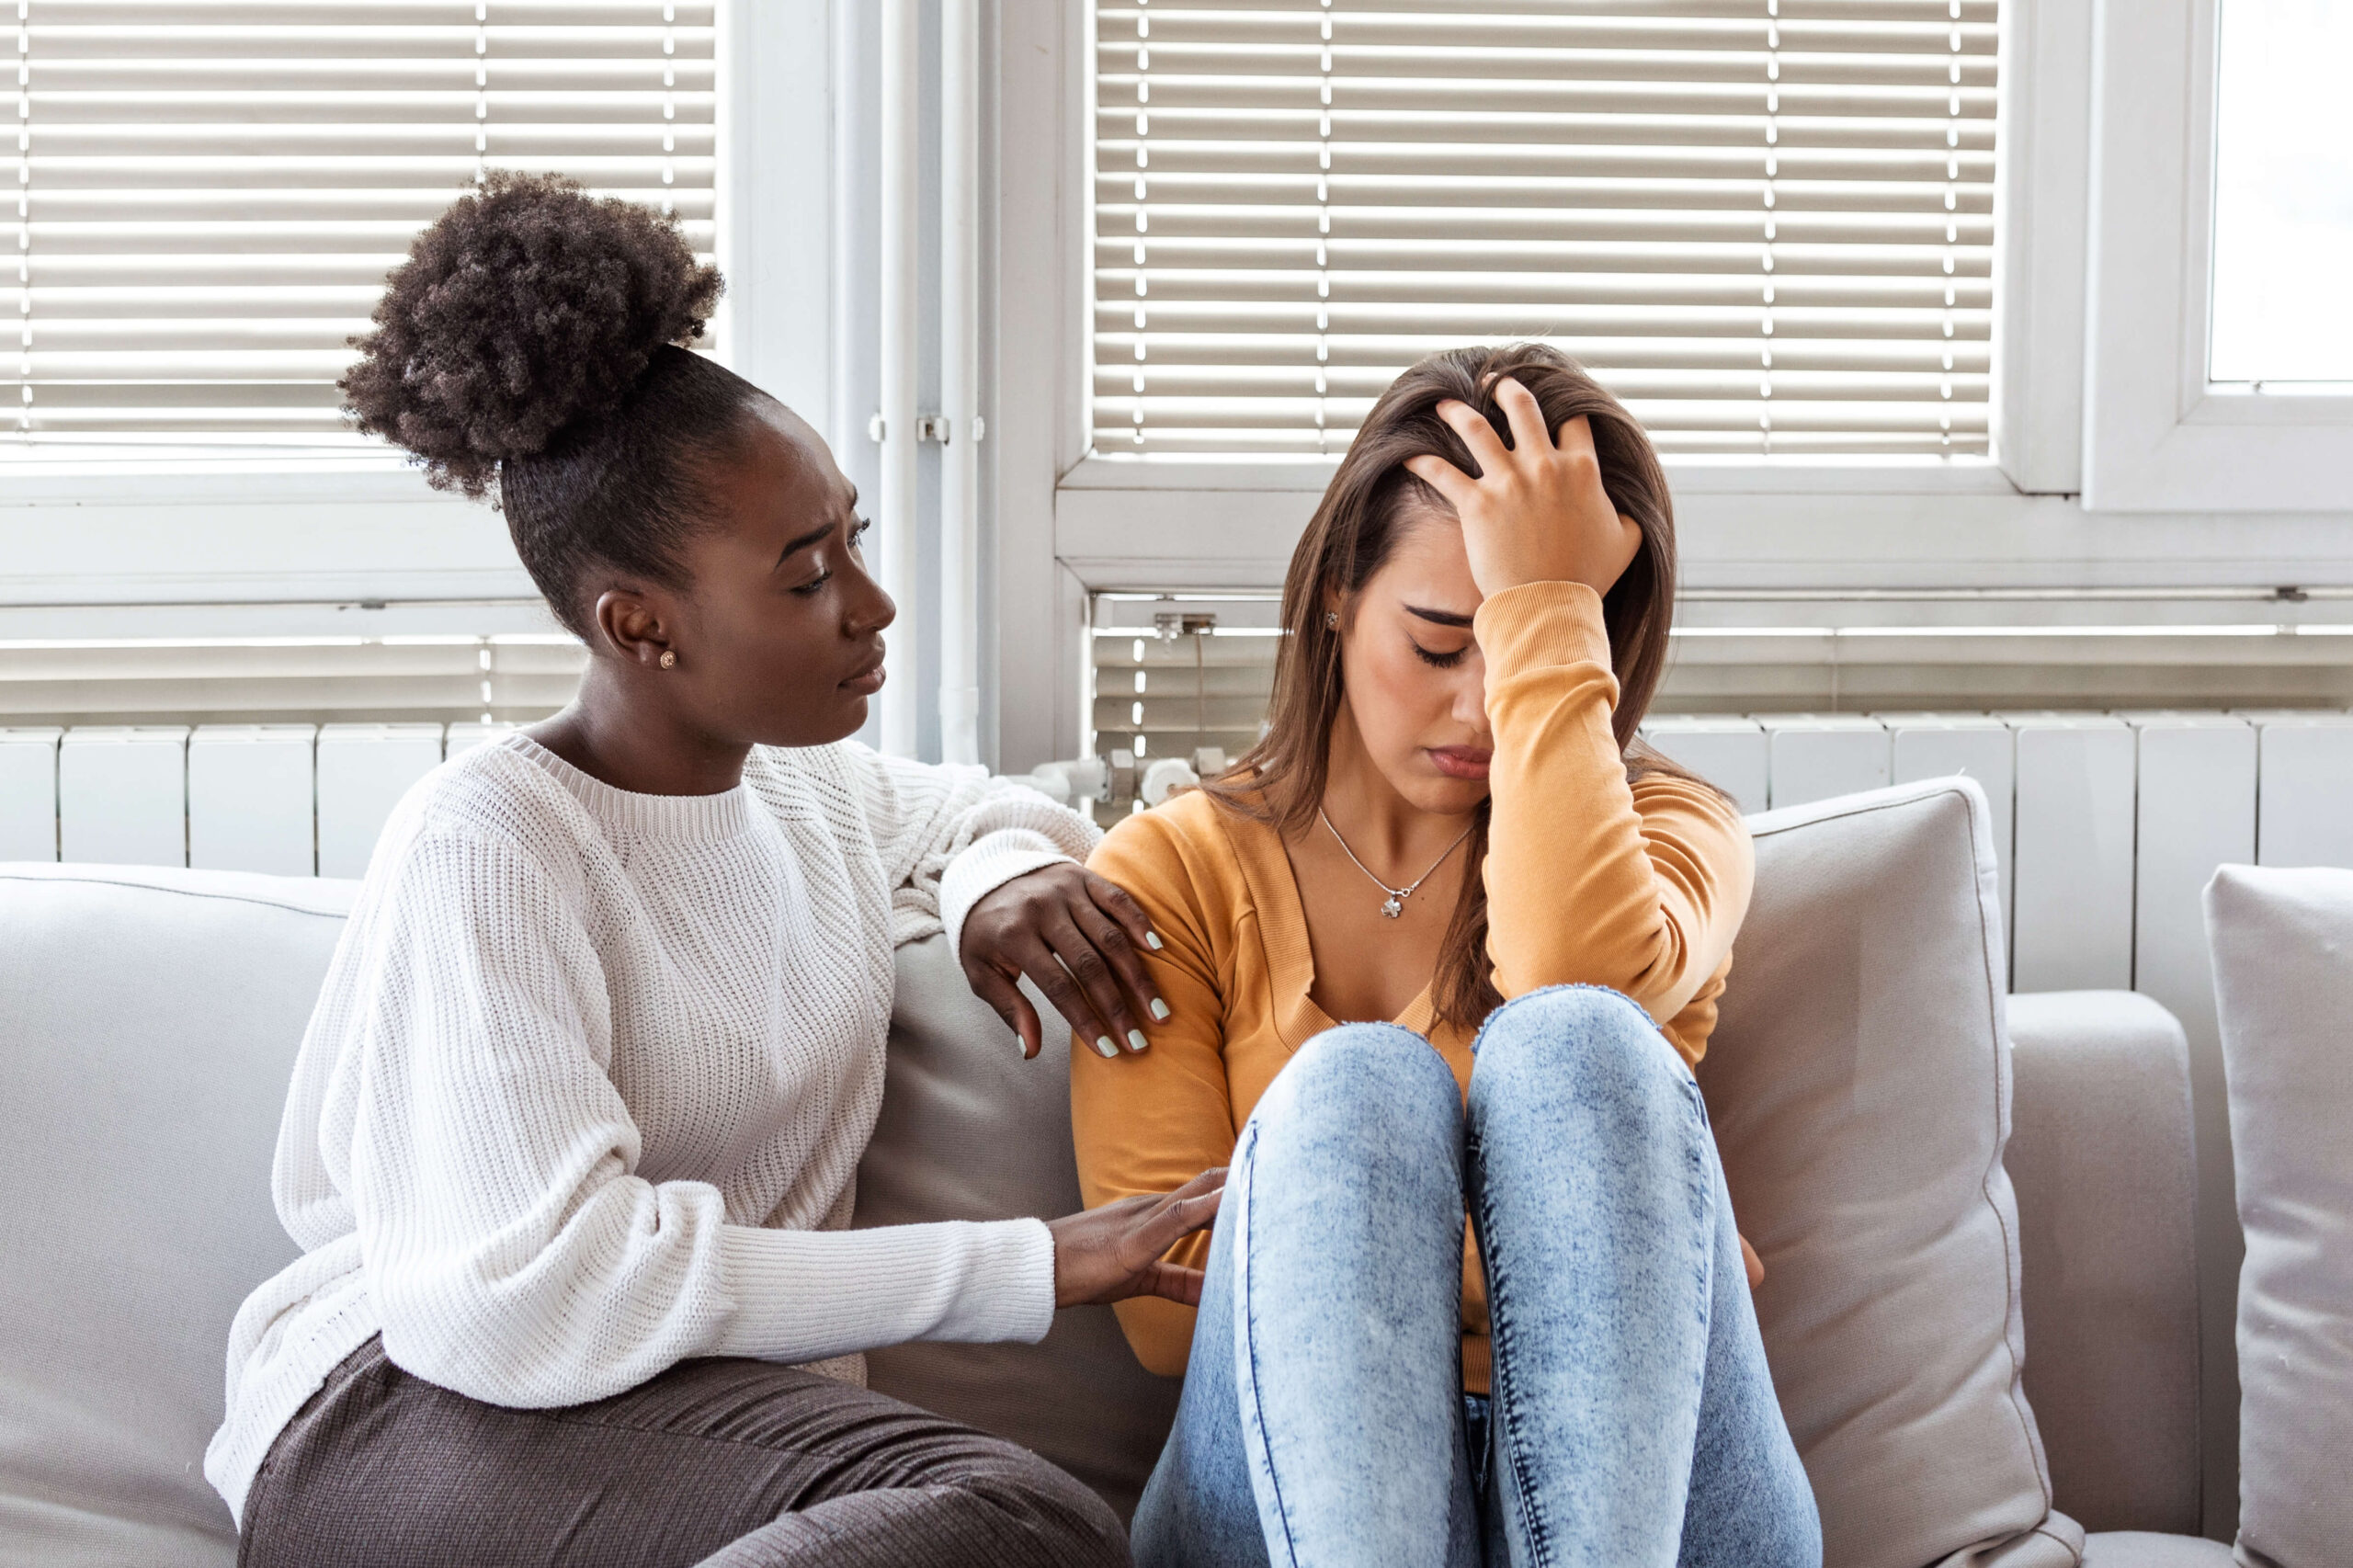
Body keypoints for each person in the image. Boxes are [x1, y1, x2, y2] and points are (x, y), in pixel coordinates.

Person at [205, 172, 1220, 1568]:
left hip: (696, 1429)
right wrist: (1033, 1262)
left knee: (1038, 1527)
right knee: (1024, 1519)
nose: (872, 605)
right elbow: (535, 1296)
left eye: (853, 539)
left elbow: (986, 812)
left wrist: (992, 879)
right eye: (806, 576)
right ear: (643, 626)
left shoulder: (806, 791)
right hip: (403, 1417)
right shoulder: (491, 843)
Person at [1070, 345, 1822, 1565]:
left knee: (1576, 1039)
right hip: (1295, 1484)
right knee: (1355, 1090)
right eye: (1437, 641)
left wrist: (1548, 619)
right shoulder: (1174, 871)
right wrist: (1630, 1250)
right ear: (1333, 597)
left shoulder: (1671, 836)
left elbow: (1572, 978)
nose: (1480, 706)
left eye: (1526, 638)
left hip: (1644, 1499)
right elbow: (1168, 1300)